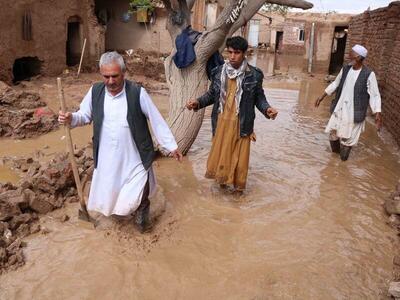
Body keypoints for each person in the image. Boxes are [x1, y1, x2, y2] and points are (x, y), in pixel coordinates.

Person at [58, 51, 183, 233]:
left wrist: (171, 145)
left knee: (141, 187)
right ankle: (120, 213)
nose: (110, 81)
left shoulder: (137, 93)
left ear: (123, 73)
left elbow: (156, 120)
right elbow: (84, 116)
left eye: (115, 76)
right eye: (106, 76)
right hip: (108, 156)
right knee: (113, 191)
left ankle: (142, 218)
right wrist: (70, 118)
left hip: (135, 155)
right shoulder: (95, 92)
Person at [186, 36, 278, 192]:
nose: (232, 56)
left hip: (242, 124)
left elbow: (259, 99)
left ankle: (238, 194)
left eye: (237, 53)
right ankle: (221, 188)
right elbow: (212, 94)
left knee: (240, 163)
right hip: (222, 122)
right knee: (222, 158)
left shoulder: (254, 75)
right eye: (230, 52)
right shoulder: (218, 72)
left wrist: (267, 109)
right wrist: (198, 102)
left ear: (244, 54)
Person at [315, 44, 382, 161]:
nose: (349, 57)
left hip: (355, 112)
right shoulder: (345, 69)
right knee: (333, 135)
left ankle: (342, 164)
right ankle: (334, 160)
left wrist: (377, 113)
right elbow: (335, 84)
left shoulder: (369, 74)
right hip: (340, 108)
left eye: (351, 55)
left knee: (348, 140)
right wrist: (322, 97)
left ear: (359, 58)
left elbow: (375, 95)